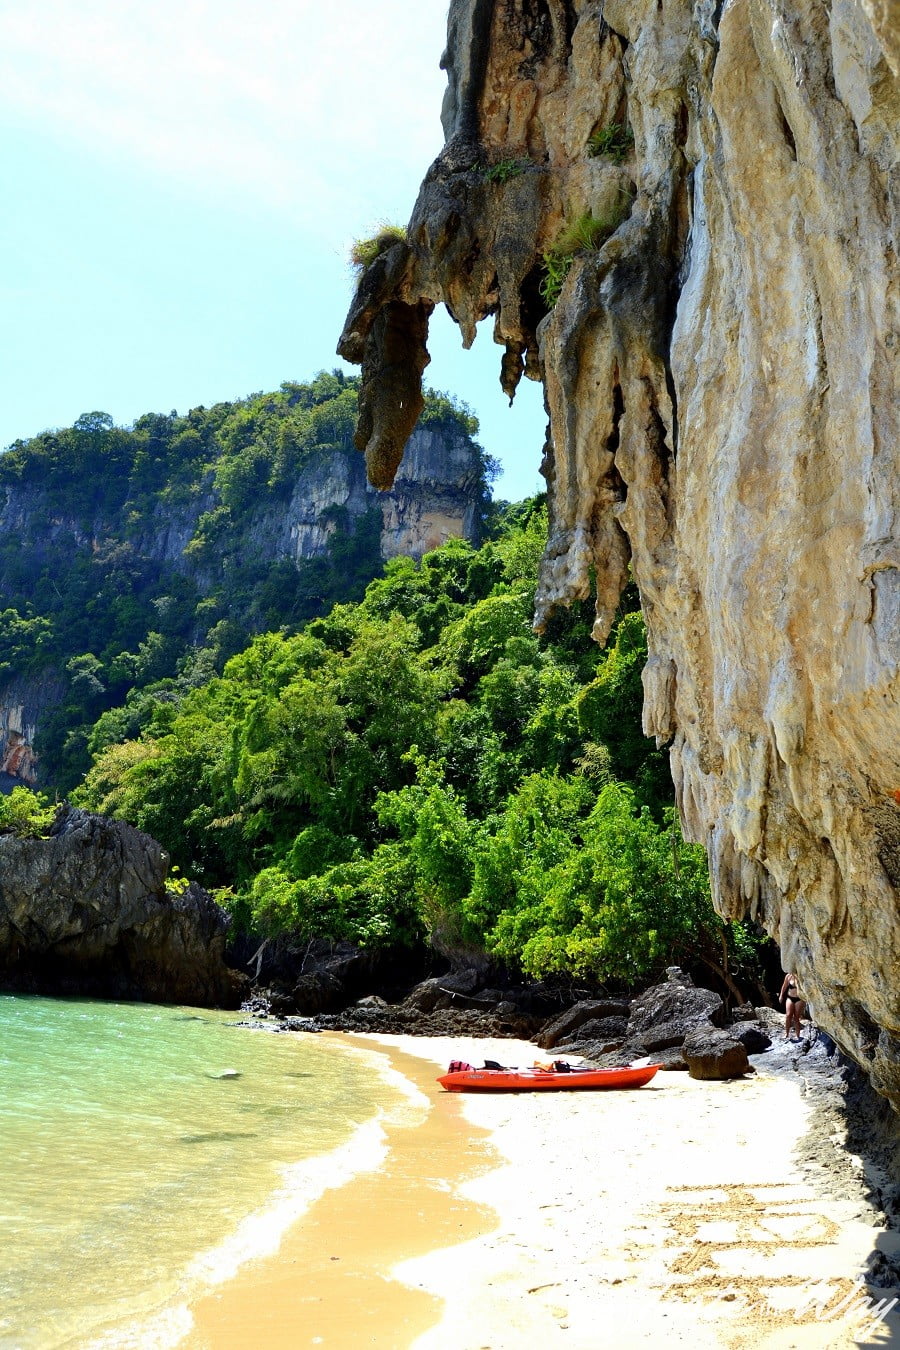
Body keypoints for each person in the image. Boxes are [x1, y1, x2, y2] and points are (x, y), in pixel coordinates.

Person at [779, 972, 805, 1041]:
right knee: (788, 1015)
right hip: (790, 997)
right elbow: (784, 986)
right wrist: (781, 995)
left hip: (799, 999)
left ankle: (798, 1035)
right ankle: (786, 1034)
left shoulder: (801, 976)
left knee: (796, 1017)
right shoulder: (788, 976)